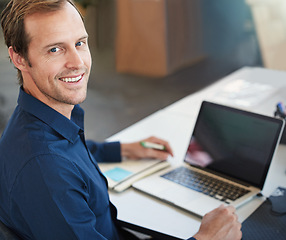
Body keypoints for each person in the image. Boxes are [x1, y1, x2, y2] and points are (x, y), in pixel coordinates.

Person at [0, 0, 242, 239]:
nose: (77, 63)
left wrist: (123, 149)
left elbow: (68, 152)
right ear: (19, 58)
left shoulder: (38, 120)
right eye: (55, 49)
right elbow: (56, 165)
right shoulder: (46, 169)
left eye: (80, 43)